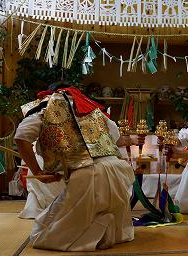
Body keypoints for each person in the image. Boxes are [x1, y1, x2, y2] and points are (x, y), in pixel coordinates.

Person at [14, 82, 141, 251]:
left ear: (49, 94)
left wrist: (37, 171)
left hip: (87, 175)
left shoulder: (46, 107)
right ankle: (107, 227)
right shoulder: (92, 109)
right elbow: (116, 138)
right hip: (117, 171)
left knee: (41, 233)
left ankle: (100, 227)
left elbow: (21, 137)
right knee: (98, 211)